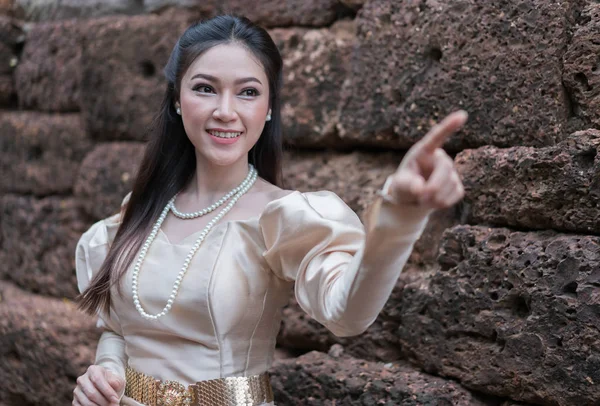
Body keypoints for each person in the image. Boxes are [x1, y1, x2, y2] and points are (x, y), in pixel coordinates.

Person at [72, 14, 467, 406]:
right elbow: (119, 332)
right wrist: (105, 374)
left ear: (270, 106)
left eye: (247, 92)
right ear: (177, 99)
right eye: (205, 88)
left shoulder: (280, 218)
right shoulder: (139, 211)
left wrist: (400, 215)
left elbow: (347, 312)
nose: (225, 110)